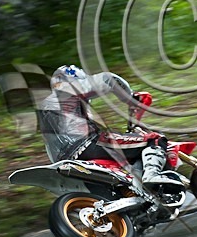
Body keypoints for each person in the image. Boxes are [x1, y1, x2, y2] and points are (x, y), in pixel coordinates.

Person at [38, 64, 181, 190]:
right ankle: (152, 175)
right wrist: (131, 99)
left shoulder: (45, 106)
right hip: (87, 144)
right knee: (154, 139)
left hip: (63, 159)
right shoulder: (73, 88)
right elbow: (108, 79)